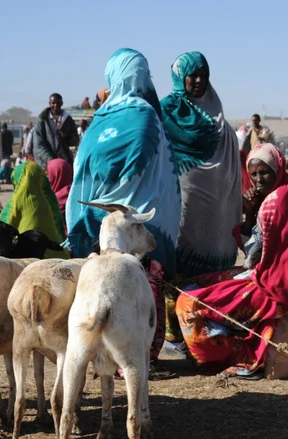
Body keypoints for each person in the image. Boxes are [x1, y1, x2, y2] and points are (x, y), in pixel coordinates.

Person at [175, 143, 288, 379]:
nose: (259, 180)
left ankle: (236, 358)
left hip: (277, 287)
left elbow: (253, 257)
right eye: (254, 174)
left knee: (187, 301)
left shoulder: (273, 203)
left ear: (278, 169)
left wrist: (250, 212)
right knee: (198, 283)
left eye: (265, 172)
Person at [66, 48, 181, 375]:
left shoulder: (106, 115)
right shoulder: (142, 113)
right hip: (135, 213)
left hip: (108, 214)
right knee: (135, 292)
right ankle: (132, 359)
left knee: (118, 288)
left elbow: (90, 161)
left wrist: (103, 191)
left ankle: (122, 359)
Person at [160, 51, 242, 276]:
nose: (199, 81)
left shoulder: (218, 118)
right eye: (193, 75)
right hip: (181, 202)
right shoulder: (164, 113)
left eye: (203, 75)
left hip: (217, 205)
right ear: (180, 78)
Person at [0, 161, 68, 258]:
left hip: (24, 258)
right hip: (57, 256)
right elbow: (60, 227)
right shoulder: (50, 201)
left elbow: (0, 228)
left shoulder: (13, 205)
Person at [33, 93, 79, 170]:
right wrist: (52, 161)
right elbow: (39, 145)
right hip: (46, 164)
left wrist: (67, 137)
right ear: (49, 103)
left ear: (62, 103)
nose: (55, 105)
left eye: (58, 103)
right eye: (53, 103)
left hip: (64, 162)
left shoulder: (67, 119)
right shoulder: (42, 119)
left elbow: (75, 141)